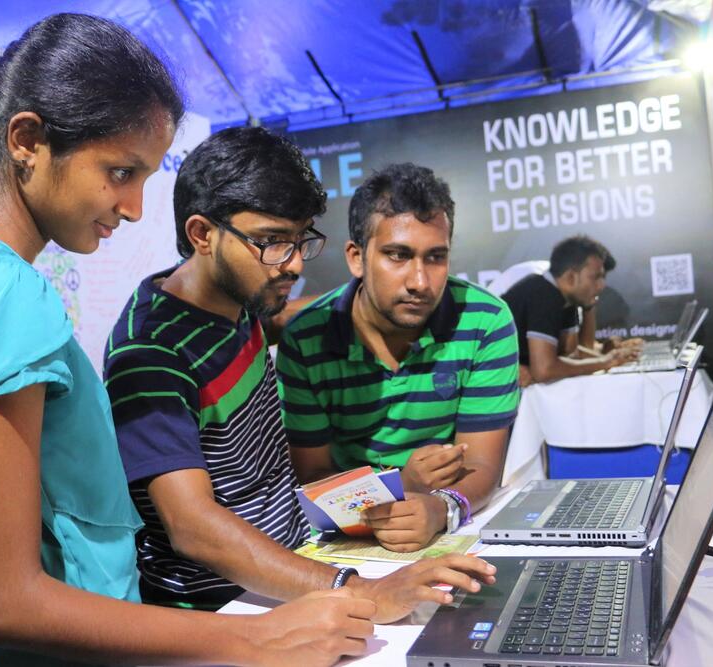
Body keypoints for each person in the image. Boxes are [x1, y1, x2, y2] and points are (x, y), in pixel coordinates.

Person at [0, 14, 380, 667]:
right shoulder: (6, 296)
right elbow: (3, 602)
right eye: (121, 171)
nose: (137, 207)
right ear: (27, 140)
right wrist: (255, 636)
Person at [102, 128, 496, 617]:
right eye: (270, 242)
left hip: (297, 563)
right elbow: (195, 528)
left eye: (298, 239)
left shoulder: (242, 298)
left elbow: (297, 316)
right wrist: (356, 590)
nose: (290, 264)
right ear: (202, 234)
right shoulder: (150, 354)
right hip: (222, 605)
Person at [276, 163, 521, 553]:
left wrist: (441, 508)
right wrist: (401, 485)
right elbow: (313, 478)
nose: (420, 281)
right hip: (350, 534)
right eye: (397, 255)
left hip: (448, 519)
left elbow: (484, 466)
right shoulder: (307, 338)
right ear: (356, 258)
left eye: (435, 257)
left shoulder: (485, 320)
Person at [501, 234, 640, 386]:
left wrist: (614, 358)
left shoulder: (566, 298)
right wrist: (604, 362)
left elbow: (570, 352)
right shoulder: (544, 294)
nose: (602, 285)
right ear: (570, 278)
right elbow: (544, 370)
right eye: (596, 277)